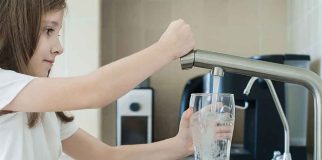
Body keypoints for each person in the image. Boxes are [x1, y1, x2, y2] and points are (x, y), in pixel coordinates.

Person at [0, 0, 232, 160]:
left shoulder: (42, 109)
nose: (59, 48)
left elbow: (106, 156)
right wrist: (166, 49)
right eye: (48, 31)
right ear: (15, 29)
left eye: (57, 33)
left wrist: (182, 144)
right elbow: (92, 92)